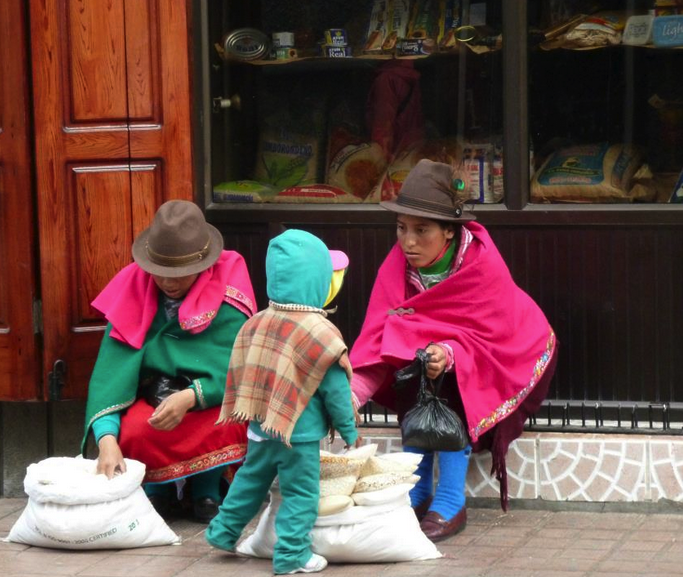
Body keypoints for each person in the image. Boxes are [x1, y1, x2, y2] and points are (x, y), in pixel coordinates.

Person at [349, 159, 558, 542]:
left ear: (449, 232)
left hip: (513, 350)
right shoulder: (396, 267)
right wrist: (353, 393)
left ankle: (449, 500)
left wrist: (449, 353)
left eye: (421, 230)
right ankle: (419, 490)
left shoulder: (482, 266)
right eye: (401, 229)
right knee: (415, 369)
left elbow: (489, 337)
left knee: (447, 373)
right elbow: (381, 337)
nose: (407, 242)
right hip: (434, 362)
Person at [81, 200, 257, 523]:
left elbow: (243, 369)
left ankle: (207, 488)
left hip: (207, 402)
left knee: (232, 420)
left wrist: (191, 396)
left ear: (204, 266)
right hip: (153, 403)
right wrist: (106, 440)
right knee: (132, 430)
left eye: (181, 274)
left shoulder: (229, 294)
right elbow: (110, 376)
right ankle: (155, 492)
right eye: (160, 272)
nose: (169, 282)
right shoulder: (132, 292)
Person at [205, 229, 359, 575]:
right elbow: (335, 392)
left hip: (259, 425)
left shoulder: (258, 322)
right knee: (301, 495)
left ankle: (222, 531)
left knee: (249, 481)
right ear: (319, 281)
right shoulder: (320, 333)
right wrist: (349, 433)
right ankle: (292, 556)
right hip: (298, 437)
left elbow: (244, 370)